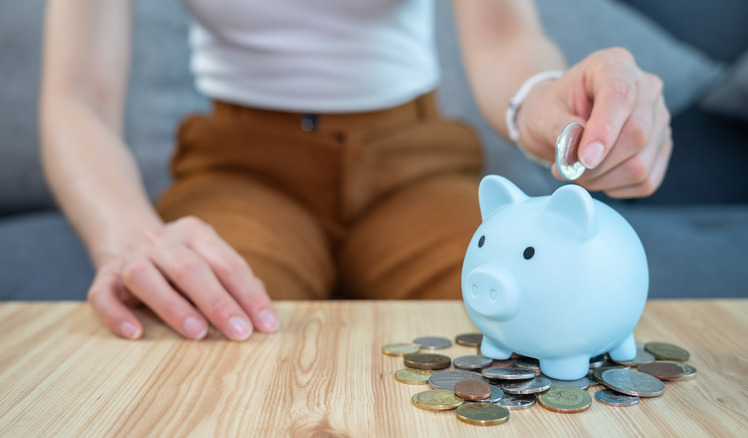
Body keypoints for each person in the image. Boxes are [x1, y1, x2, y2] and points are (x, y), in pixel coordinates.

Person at [39, 0, 671, 342]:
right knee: (195, 329)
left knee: (544, 320)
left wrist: (546, 100)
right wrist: (126, 241)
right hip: (243, 172)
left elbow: (503, 34)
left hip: (414, 165)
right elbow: (77, 97)